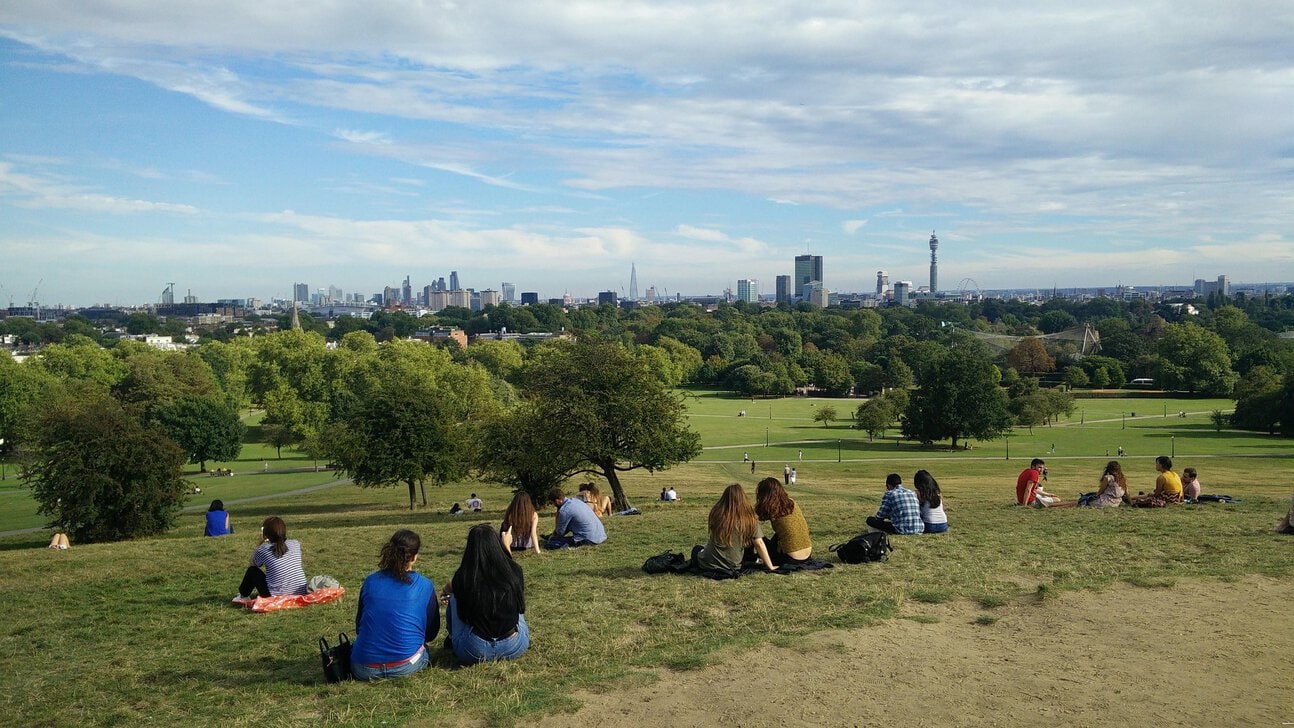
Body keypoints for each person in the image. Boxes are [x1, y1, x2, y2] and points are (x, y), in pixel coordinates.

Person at [351, 529, 440, 680]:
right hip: (406, 666)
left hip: (364, 667)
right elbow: (431, 632)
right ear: (413, 557)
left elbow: (359, 625)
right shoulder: (425, 585)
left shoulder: (370, 581)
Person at [442, 524, 529, 663]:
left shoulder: (463, 577)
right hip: (513, 646)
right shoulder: (515, 571)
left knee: (453, 598)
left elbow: (455, 595)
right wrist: (506, 547)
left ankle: (452, 637)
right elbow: (507, 569)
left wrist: (446, 592)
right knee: (515, 597)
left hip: (473, 650)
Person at [695, 483, 778, 572]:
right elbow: (759, 543)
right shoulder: (750, 519)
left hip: (708, 564)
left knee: (696, 549)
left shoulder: (716, 514)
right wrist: (770, 566)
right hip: (733, 565)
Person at [237, 516, 307, 600]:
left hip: (275, 596)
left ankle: (243, 595)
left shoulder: (263, 549)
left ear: (266, 533)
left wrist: (259, 543)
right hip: (300, 592)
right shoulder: (295, 543)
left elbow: (253, 564)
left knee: (252, 571)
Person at [753, 477, 812, 564]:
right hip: (807, 554)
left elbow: (751, 518)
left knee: (753, 534)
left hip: (789, 557)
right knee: (780, 534)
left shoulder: (771, 508)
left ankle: (748, 556)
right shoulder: (792, 502)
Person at [500, 491, 542, 556]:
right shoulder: (533, 514)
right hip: (526, 544)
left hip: (512, 543)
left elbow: (507, 528)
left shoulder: (511, 513)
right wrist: (537, 550)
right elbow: (533, 533)